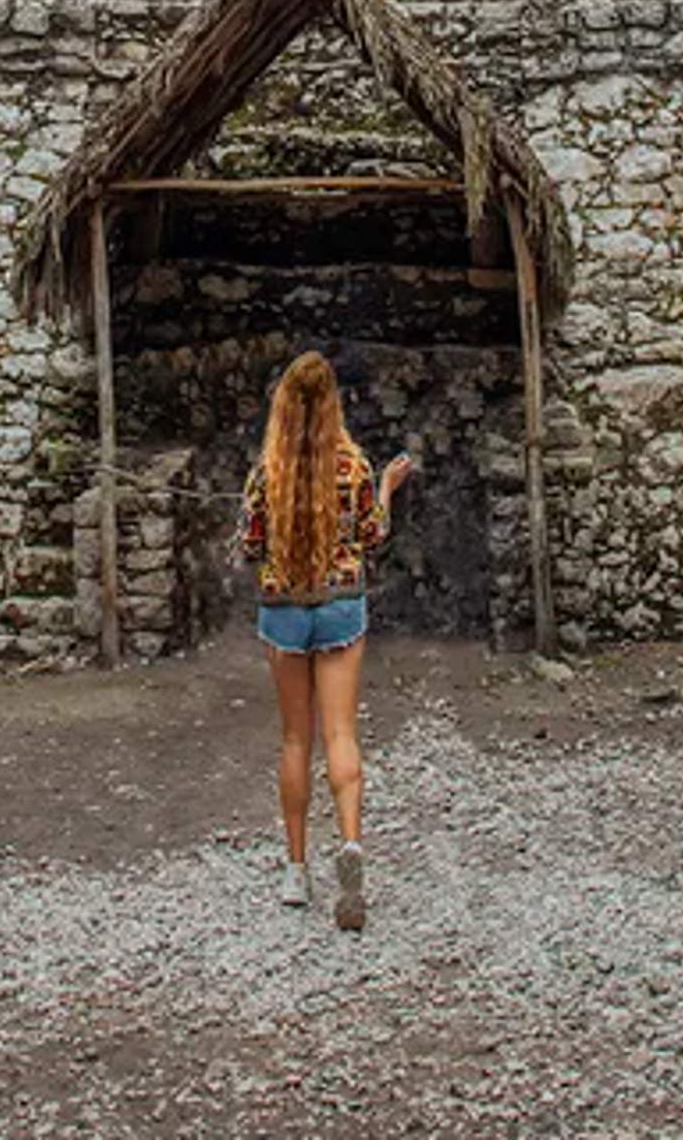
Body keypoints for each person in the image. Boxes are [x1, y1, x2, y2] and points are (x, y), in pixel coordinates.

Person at [239, 350, 415, 932]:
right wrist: (387, 486)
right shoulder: (355, 466)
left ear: (284, 405)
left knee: (296, 739)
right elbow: (372, 535)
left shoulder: (267, 471)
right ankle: (351, 844)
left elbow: (250, 544)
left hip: (284, 613)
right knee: (342, 733)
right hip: (341, 606)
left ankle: (295, 869)